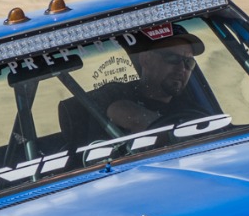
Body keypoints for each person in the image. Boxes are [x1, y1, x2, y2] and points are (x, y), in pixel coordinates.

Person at [60, 24, 212, 146]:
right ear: (146, 59)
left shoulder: (191, 107)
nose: (182, 68)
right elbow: (131, 116)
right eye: (172, 58)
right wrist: (179, 137)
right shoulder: (115, 93)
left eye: (189, 62)